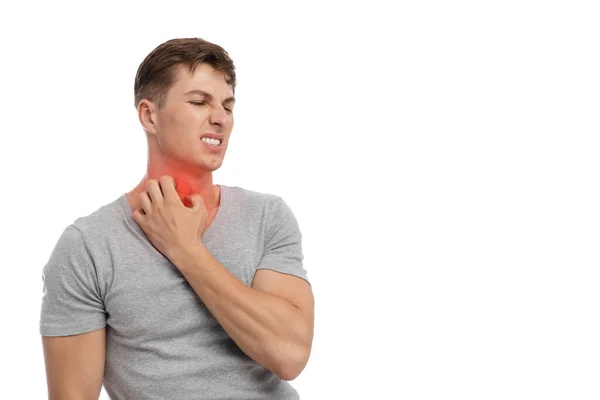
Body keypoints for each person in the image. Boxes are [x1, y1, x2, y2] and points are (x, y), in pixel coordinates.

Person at [39, 37, 314, 400]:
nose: (220, 117)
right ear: (149, 115)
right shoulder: (88, 245)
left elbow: (290, 355)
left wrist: (186, 249)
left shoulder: (267, 216)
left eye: (227, 106)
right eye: (200, 102)